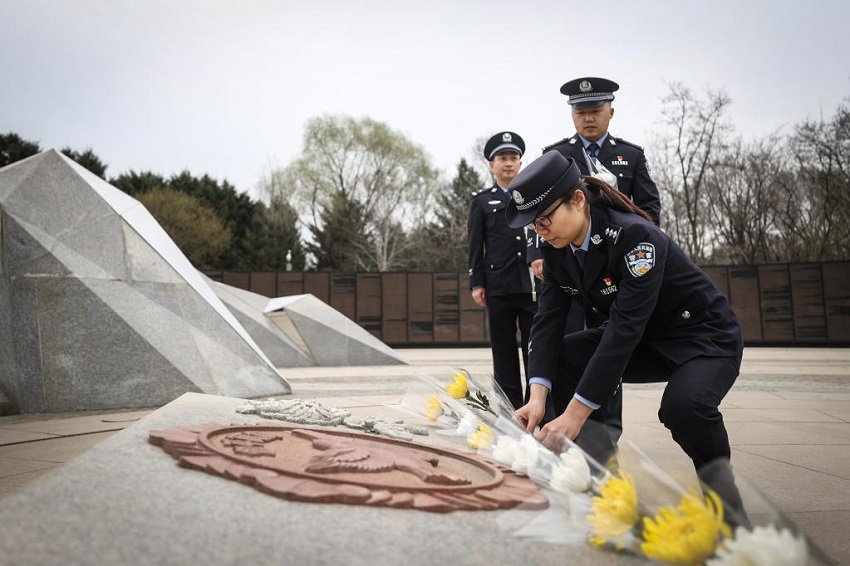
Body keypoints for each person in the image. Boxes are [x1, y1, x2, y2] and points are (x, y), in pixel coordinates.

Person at [505, 150, 743, 476]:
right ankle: (600, 476)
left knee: (683, 408)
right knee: (565, 355)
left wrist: (573, 415)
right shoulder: (557, 251)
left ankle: (725, 502)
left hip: (703, 338)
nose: (540, 230)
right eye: (533, 225)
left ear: (577, 200)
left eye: (544, 219)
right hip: (648, 340)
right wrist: (536, 398)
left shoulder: (634, 237)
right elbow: (547, 322)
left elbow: (623, 329)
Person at [528, 76, 661, 280]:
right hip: (569, 252)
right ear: (572, 114)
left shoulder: (632, 155)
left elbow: (649, 205)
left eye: (595, 112)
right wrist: (537, 253)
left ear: (611, 112)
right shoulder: (556, 156)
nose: (588, 119)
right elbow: (538, 204)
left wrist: (649, 242)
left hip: (619, 249)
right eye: (581, 113)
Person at [468, 132, 537, 410]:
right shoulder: (482, 201)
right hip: (498, 286)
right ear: (491, 164)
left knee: (535, 350)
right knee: (504, 352)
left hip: (532, 285)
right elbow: (475, 244)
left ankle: (538, 407)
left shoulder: (533, 196)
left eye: (513, 158)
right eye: (502, 158)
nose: (508, 163)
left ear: (521, 163)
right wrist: (477, 282)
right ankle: (510, 412)